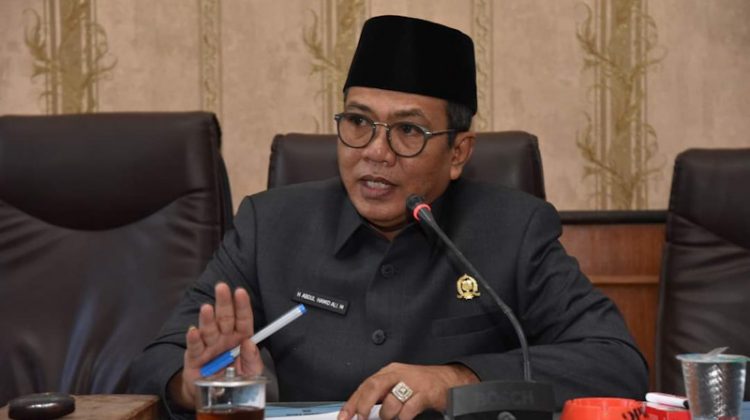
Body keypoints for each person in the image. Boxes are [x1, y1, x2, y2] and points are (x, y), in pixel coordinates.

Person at [129, 15, 648, 419]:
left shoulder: (513, 231)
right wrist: (193, 385)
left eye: (408, 132)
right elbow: (153, 364)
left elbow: (616, 363)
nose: (375, 152)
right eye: (358, 122)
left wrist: (457, 380)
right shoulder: (270, 226)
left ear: (459, 153)